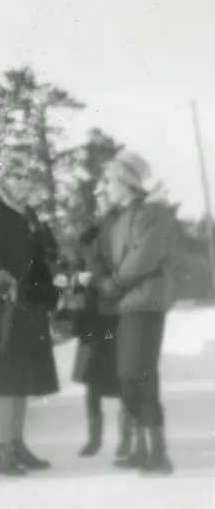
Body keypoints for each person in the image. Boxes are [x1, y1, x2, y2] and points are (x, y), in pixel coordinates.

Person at [0, 151, 61, 476]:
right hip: (0, 313)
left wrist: (46, 292)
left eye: (30, 178)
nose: (27, 184)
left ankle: (18, 444)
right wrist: (13, 295)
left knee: (22, 381)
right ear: (4, 178)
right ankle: (3, 450)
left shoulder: (27, 213)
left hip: (27, 309)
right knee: (6, 383)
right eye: (21, 177)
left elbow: (45, 255)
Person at [94, 151, 178, 475]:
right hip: (128, 304)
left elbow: (143, 256)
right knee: (130, 376)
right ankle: (143, 449)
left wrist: (114, 282)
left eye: (110, 180)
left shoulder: (152, 212)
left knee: (137, 374)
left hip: (145, 303)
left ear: (126, 182)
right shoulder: (122, 215)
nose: (106, 187)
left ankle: (158, 454)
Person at [68, 223, 130, 459]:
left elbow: (114, 288)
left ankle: (125, 439)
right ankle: (94, 439)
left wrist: (98, 280)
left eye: (88, 249)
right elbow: (76, 292)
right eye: (85, 250)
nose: (86, 253)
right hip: (92, 329)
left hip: (112, 328)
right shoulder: (84, 266)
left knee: (123, 384)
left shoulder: (116, 260)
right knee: (92, 387)